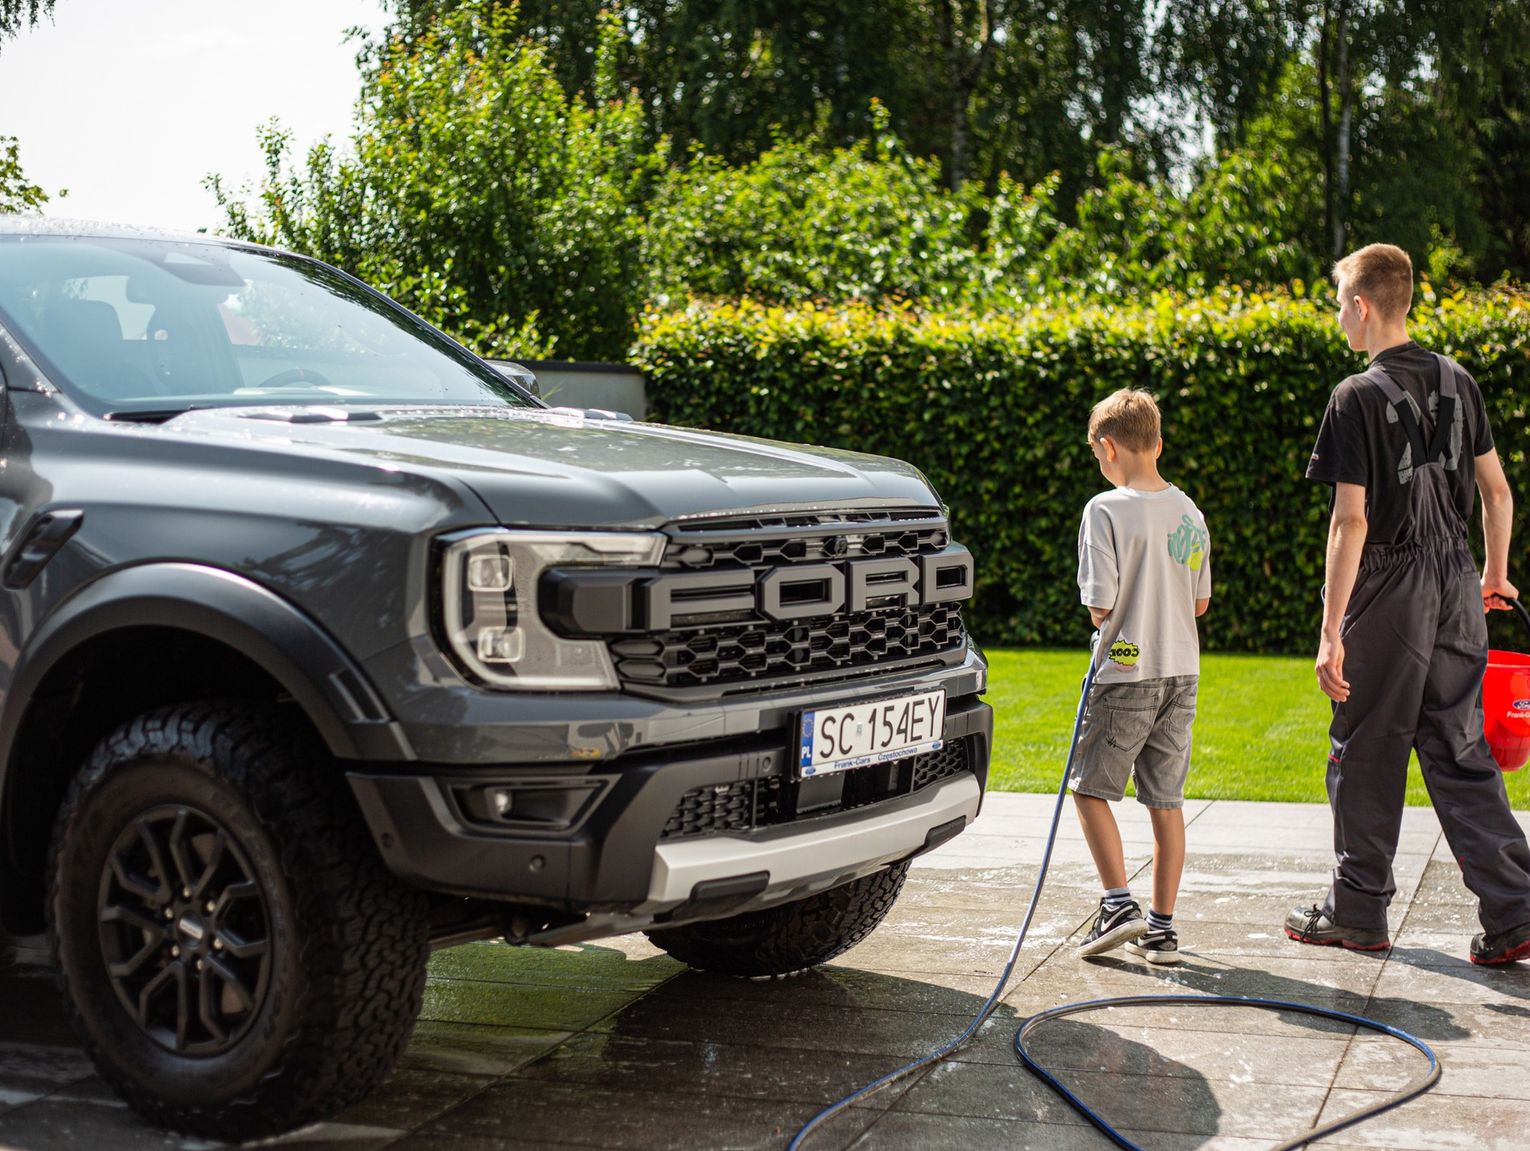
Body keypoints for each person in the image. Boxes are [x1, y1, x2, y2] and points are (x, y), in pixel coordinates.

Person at [1292, 242, 1530, 966]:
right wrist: (1493, 572)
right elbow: (1497, 491)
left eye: (1340, 304)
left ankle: (1357, 910)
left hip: (1391, 586)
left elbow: (1350, 522)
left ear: (1362, 306)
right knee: (1461, 747)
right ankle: (1516, 908)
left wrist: (1331, 630)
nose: (1339, 318)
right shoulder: (1461, 381)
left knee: (1365, 747)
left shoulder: (1353, 396)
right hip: (1457, 579)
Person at [1072, 388, 1212, 965]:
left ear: (1108, 448)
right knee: (1166, 800)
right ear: (1157, 443)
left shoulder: (1103, 510)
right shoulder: (1191, 512)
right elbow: (1200, 603)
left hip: (1125, 673)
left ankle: (1116, 903)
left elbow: (1099, 605)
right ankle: (1161, 930)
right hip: (1181, 671)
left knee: (1089, 789)